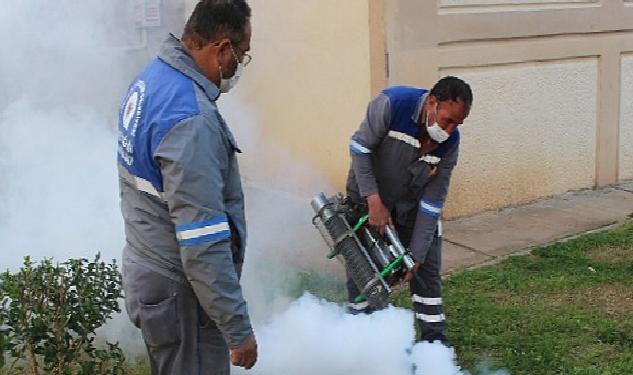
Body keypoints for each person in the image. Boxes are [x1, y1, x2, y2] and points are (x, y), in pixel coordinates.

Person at [116, 1, 257, 373]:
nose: (239, 66)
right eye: (241, 56)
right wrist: (237, 330)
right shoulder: (191, 118)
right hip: (181, 293)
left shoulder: (150, 81)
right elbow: (202, 241)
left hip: (150, 271)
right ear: (221, 49)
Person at [345, 76, 473, 344]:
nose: (450, 130)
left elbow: (433, 201)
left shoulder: (451, 143)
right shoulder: (392, 104)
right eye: (448, 120)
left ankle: (434, 346)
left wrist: (417, 252)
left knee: (426, 270)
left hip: (411, 206)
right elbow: (359, 147)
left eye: (458, 124)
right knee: (363, 271)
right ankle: (360, 340)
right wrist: (374, 202)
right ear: (432, 103)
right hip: (368, 197)